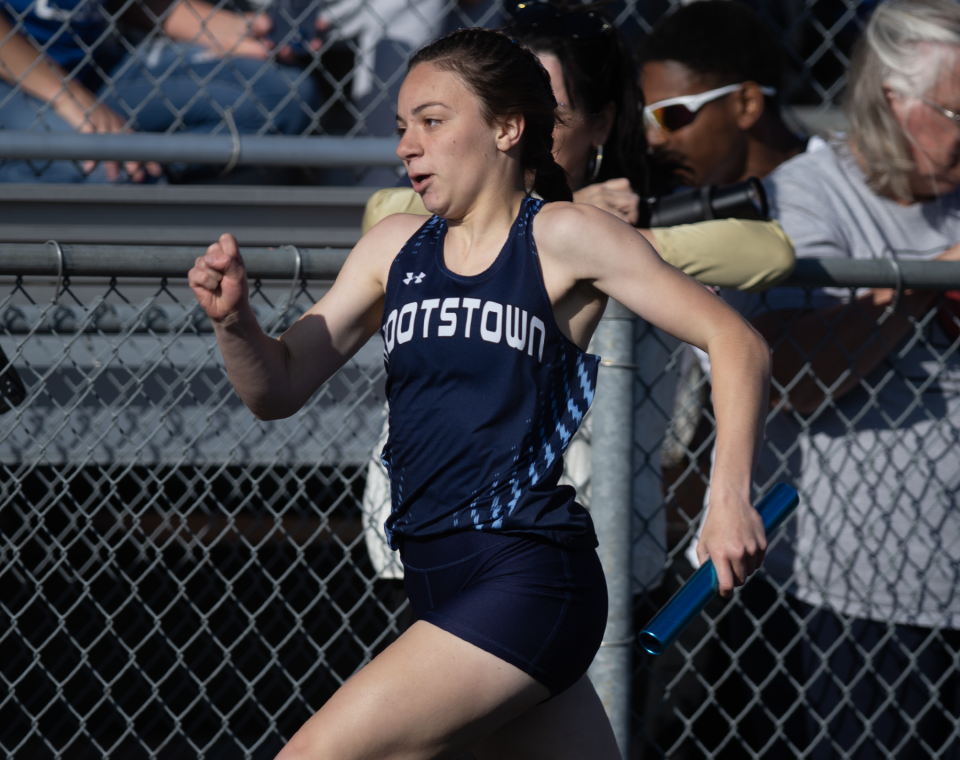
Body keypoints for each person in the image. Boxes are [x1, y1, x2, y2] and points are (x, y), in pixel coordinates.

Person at [189, 27, 772, 759]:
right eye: (403, 126)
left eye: (432, 122)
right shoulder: (394, 248)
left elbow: (736, 341)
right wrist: (235, 324)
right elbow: (275, 388)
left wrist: (727, 499)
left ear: (506, 127)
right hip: (436, 576)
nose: (408, 145)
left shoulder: (561, 236)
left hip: (527, 576)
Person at [358, 1, 795, 599]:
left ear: (602, 122)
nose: (526, 123)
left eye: (549, 109)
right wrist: (546, 227)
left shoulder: (624, 214)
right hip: (421, 533)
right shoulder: (444, 210)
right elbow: (383, 212)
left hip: (586, 534)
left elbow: (768, 251)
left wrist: (600, 240)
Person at [720, 0, 960, 756]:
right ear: (895, 102)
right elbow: (792, 376)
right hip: (863, 592)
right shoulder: (809, 194)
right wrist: (922, 281)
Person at [0, 0, 319, 182]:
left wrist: (218, 25)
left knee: (287, 96)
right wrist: (70, 97)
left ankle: (150, 170)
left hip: (101, 67)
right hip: (18, 83)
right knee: (110, 176)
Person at [637, 0, 805, 188]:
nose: (652, 139)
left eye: (670, 115)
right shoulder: (653, 195)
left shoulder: (834, 186)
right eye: (645, 120)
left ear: (746, 104)